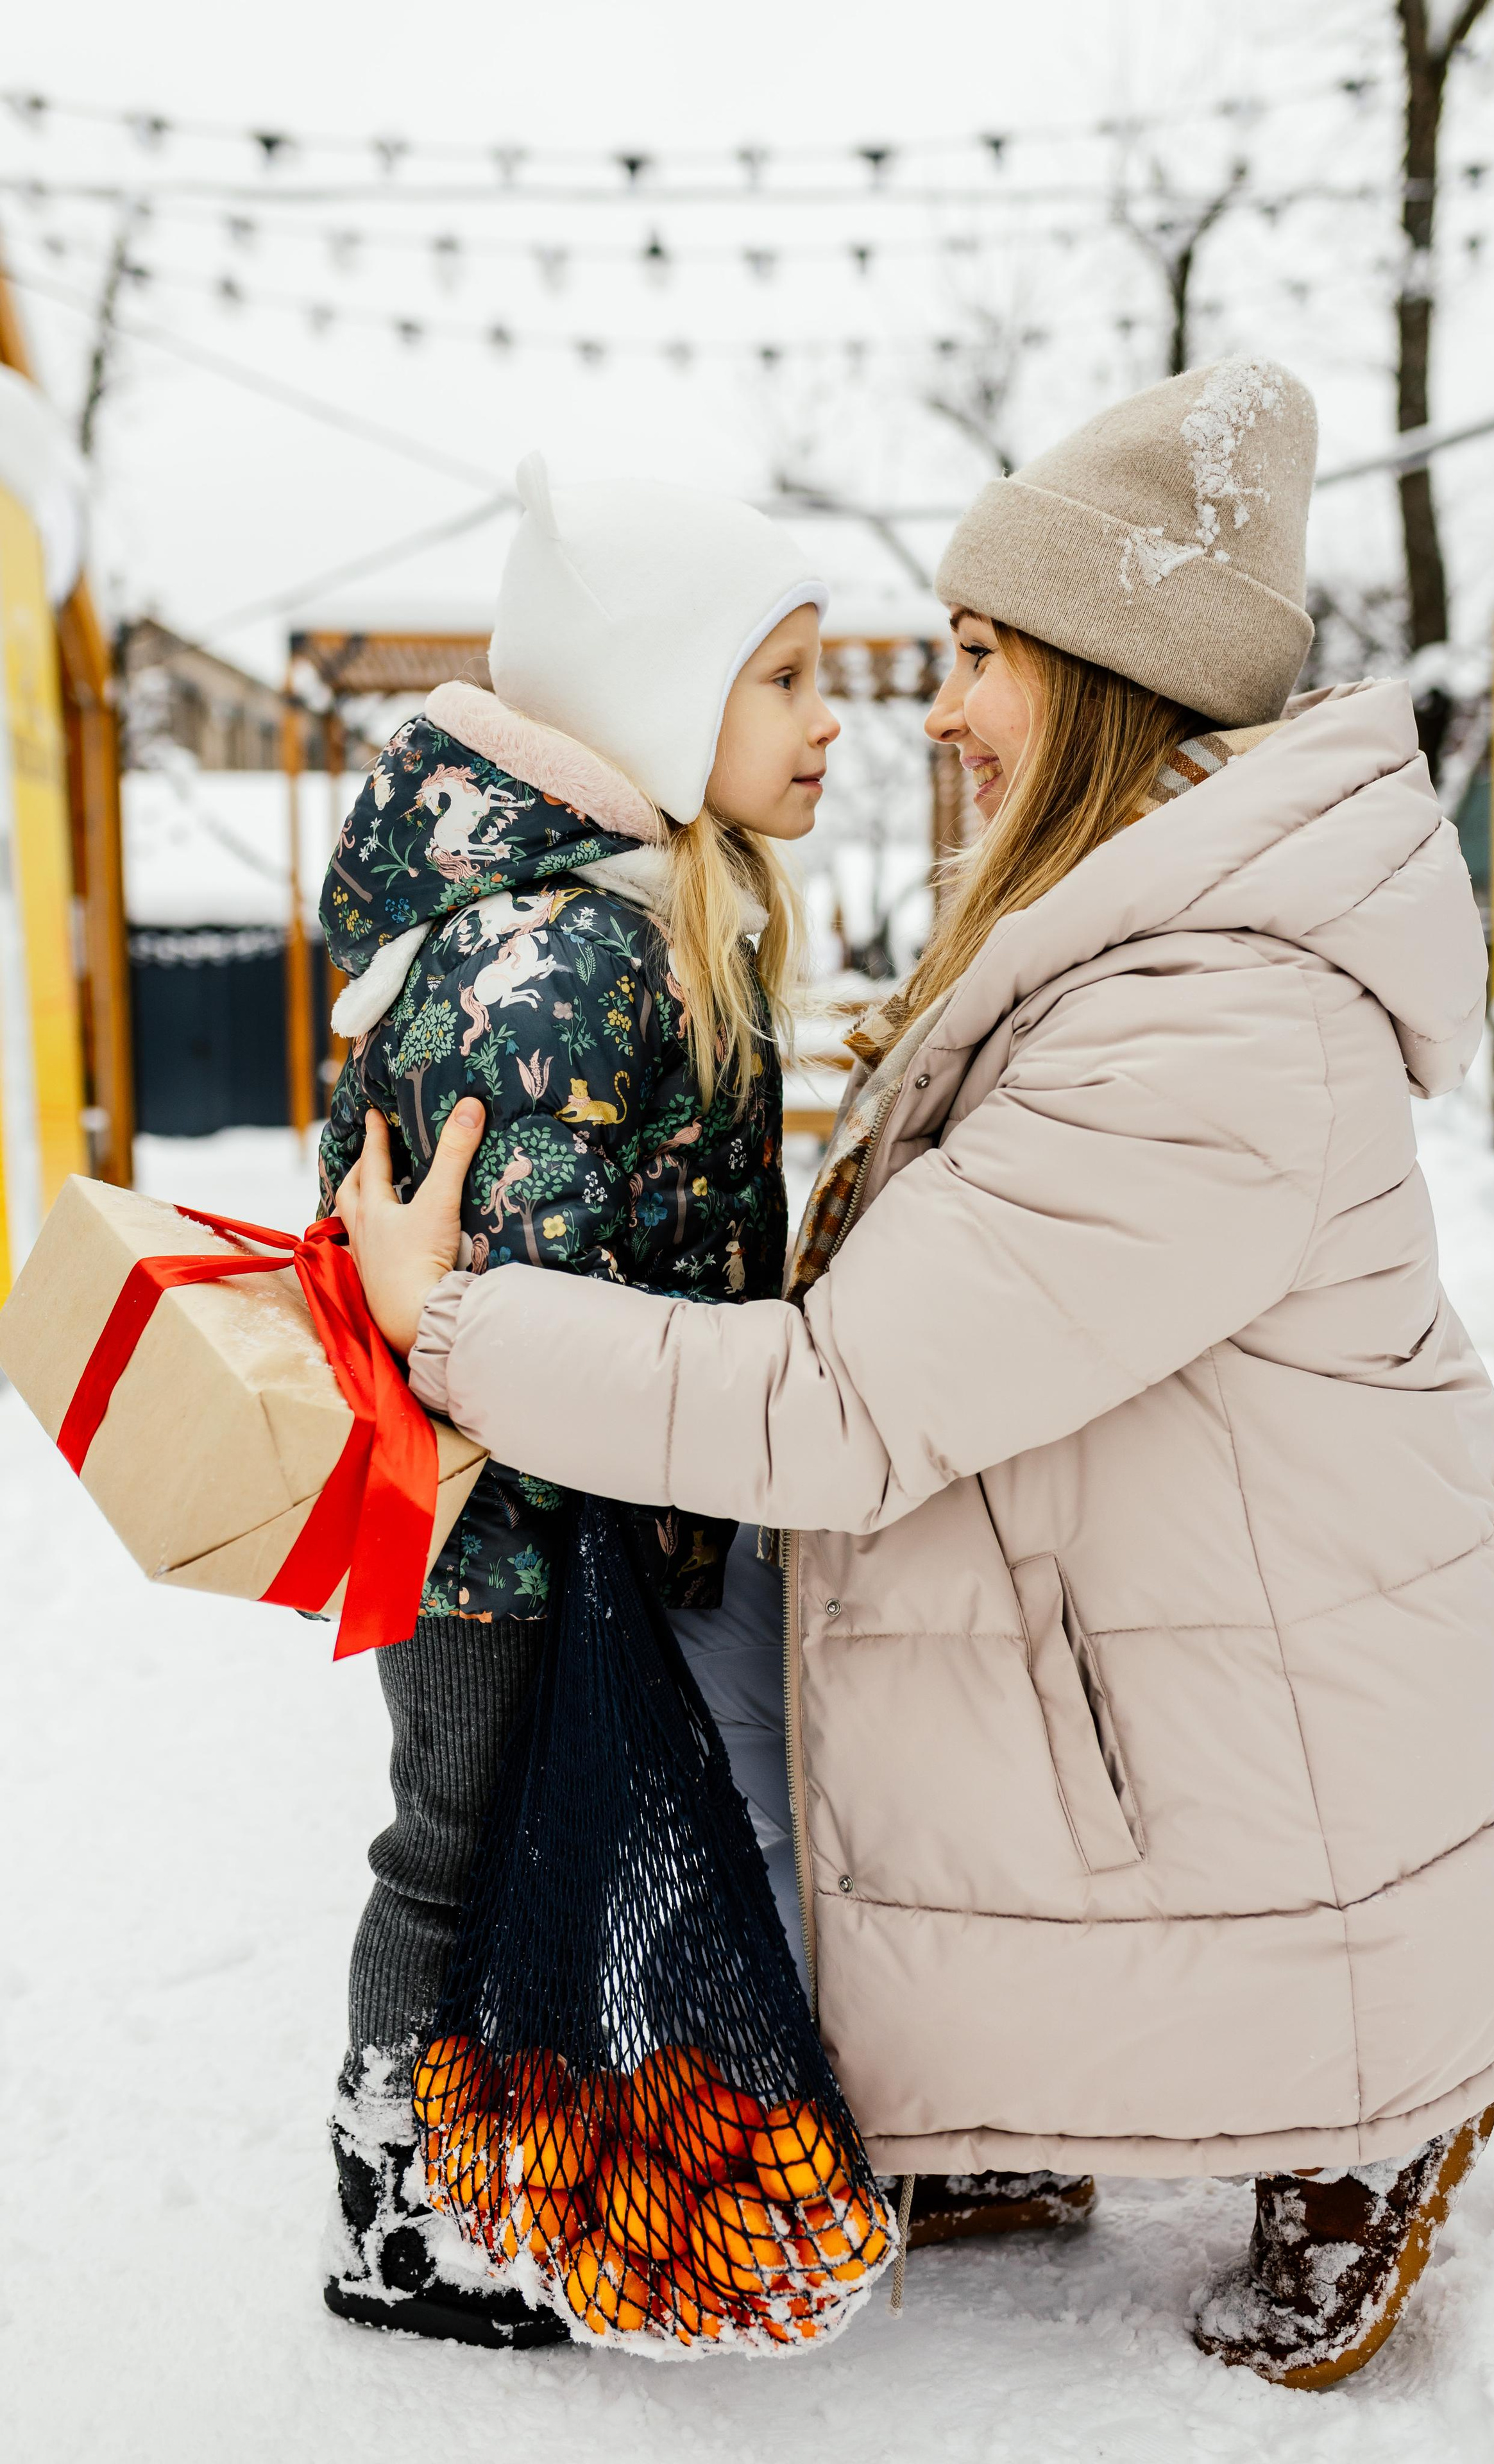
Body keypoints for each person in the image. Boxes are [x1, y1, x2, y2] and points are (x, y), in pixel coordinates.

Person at [338, 359, 1494, 2390]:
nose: (930, 706)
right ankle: (1036, 2084)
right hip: (1171, 1624)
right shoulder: (1135, 936)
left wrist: (453, 1328)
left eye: (982, 654)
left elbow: (844, 1403)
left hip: (1294, 1729)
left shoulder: (1211, 1022)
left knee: (784, 1591)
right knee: (777, 1637)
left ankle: (1372, 2109)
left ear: (1099, 683)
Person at [319, 456, 838, 2346]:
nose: (831, 714)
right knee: (452, 1849)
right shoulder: (559, 961)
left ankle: (498, 2163)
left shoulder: (648, 925)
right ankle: (388, 2209)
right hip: (491, 1539)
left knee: (534, 1845)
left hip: (580, 1517)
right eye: (782, 677)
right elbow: (511, 1311)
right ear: (655, 695)